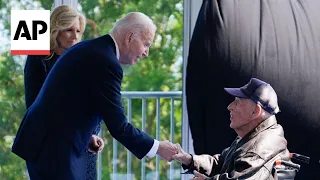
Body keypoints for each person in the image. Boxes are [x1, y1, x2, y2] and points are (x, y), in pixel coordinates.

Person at [12, 12, 178, 180]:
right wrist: (158, 147)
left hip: (54, 144)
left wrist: (87, 135)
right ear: (129, 37)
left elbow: (70, 102)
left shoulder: (92, 49)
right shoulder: (105, 61)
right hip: (52, 148)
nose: (146, 52)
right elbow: (119, 127)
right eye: (146, 44)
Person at [23, 5, 103, 180]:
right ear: (55, 30)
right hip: (49, 147)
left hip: (82, 145)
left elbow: (93, 105)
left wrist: (93, 133)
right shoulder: (38, 58)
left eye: (78, 31)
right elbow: (36, 106)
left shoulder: (83, 60)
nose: (75, 36)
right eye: (69, 30)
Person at [173, 78, 290, 180]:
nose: (230, 107)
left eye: (237, 102)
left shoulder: (258, 149)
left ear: (255, 111)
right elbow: (222, 162)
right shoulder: (252, 135)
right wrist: (189, 159)